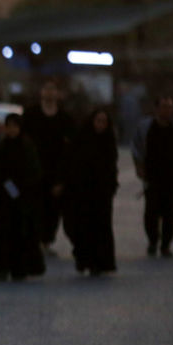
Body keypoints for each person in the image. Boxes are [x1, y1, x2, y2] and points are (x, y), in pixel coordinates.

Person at [0, 114, 46, 281]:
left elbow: (34, 172)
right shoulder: (1, 147)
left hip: (23, 200)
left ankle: (19, 267)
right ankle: (3, 266)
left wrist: (23, 188)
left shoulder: (27, 147)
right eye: (8, 126)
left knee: (21, 234)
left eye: (14, 126)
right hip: (3, 200)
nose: (11, 130)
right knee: (2, 234)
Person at [131, 96, 173, 258]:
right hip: (151, 177)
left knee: (170, 212)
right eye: (164, 107)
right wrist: (138, 166)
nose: (168, 110)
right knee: (151, 211)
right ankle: (153, 240)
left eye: (170, 107)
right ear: (156, 109)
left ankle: (166, 244)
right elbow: (136, 147)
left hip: (171, 177)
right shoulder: (145, 127)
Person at [21, 80, 76, 252]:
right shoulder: (31, 115)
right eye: (46, 89)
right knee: (35, 206)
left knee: (53, 208)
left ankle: (46, 241)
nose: (50, 93)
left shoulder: (65, 118)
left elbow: (71, 146)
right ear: (41, 92)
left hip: (56, 170)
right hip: (34, 169)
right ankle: (36, 240)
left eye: (53, 89)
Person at [68, 109, 119, 274]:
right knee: (83, 226)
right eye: (98, 120)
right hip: (83, 191)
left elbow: (111, 167)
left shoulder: (109, 141)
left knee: (102, 227)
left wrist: (111, 186)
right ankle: (85, 259)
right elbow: (74, 163)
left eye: (104, 121)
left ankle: (100, 262)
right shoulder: (82, 139)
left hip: (102, 192)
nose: (100, 124)